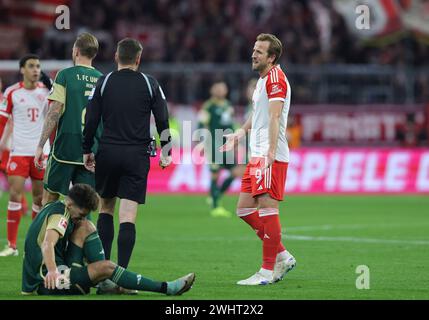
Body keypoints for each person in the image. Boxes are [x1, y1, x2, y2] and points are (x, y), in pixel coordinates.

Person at [82, 38, 172, 271]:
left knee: (106, 209)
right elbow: (162, 117)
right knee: (128, 215)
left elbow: (91, 120)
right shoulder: (149, 82)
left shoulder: (104, 82)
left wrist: (86, 150)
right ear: (138, 59)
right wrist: (166, 149)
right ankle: (120, 274)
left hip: (108, 151)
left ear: (116, 57)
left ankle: (103, 270)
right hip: (136, 154)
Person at [21, 183, 195, 296]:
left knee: (86, 227)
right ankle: (166, 288)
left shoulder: (56, 205)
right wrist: (52, 271)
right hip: (49, 281)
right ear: (70, 204)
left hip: (52, 272)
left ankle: (104, 283)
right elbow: (47, 243)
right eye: (80, 214)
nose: (80, 218)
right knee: (106, 267)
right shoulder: (61, 215)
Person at [220, 33, 296, 285]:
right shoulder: (263, 80)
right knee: (243, 209)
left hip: (268, 155)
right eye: (254, 49)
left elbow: (274, 117)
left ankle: (265, 272)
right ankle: (283, 256)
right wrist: (240, 133)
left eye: (259, 51)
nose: (253, 54)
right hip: (257, 154)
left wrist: (271, 152)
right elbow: (259, 114)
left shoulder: (276, 80)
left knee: (268, 208)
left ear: (271, 57)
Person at [34, 33, 103, 205]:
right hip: (92, 150)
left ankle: (52, 231)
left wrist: (41, 145)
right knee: (84, 205)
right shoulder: (103, 80)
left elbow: (54, 111)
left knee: (49, 200)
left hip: (65, 148)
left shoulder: (65, 75)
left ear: (76, 51)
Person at [0, 55, 50, 257]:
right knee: (15, 195)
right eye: (31, 66)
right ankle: (11, 245)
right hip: (19, 152)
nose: (35, 69)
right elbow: (3, 121)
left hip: (40, 154)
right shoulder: (12, 92)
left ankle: (35, 243)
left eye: (38, 66)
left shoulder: (47, 92)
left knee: (39, 199)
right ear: (22, 69)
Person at [197, 81, 244, 218]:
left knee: (237, 171)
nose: (221, 90)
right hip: (213, 144)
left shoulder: (228, 105)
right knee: (215, 174)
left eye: (223, 88)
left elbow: (231, 124)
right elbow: (202, 124)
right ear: (212, 90)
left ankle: (216, 195)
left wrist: (236, 139)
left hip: (227, 145)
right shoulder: (208, 106)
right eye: (218, 88)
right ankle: (215, 207)